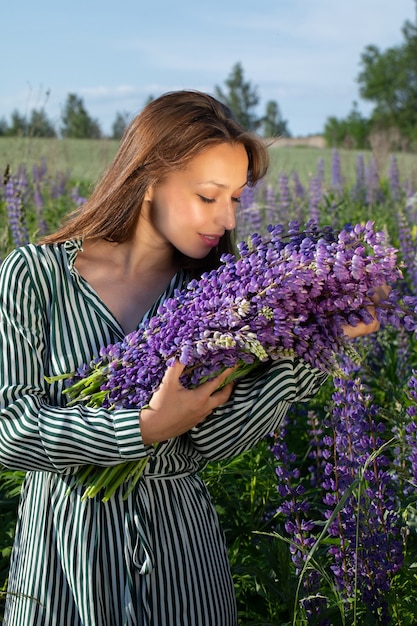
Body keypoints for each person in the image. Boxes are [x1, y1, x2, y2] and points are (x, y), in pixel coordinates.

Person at [0, 90, 381, 626]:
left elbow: (216, 442)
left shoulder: (226, 296)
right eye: (208, 196)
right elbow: (8, 429)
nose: (227, 219)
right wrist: (142, 428)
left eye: (237, 199)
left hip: (180, 552)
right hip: (64, 552)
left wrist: (312, 341)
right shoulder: (36, 276)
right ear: (150, 178)